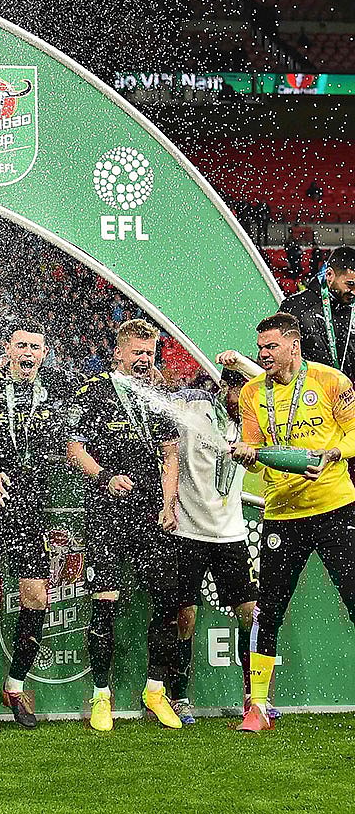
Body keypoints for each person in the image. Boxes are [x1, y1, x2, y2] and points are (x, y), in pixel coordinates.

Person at [230, 312, 355, 732]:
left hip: (336, 506)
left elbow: (354, 433)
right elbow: (254, 444)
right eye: (260, 347)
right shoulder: (251, 392)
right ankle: (258, 707)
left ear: (293, 345)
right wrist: (246, 452)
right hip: (282, 513)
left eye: (271, 346)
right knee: (270, 610)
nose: (263, 354)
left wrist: (333, 456)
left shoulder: (330, 380)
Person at [66, 318, 182, 731]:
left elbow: (171, 455)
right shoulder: (92, 391)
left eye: (149, 353)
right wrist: (103, 476)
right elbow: (73, 449)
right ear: (117, 352)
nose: (143, 359)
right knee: (105, 602)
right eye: (136, 352)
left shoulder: (157, 396)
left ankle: (155, 690)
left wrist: (168, 505)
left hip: (151, 513)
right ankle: (101, 696)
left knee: (168, 599)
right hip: (107, 511)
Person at [0, 320, 65, 732]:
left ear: (43, 353)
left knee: (36, 596)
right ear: (7, 347)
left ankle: (14, 686)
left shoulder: (49, 393)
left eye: (36, 348)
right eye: (22, 345)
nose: (29, 354)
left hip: (30, 505)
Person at [166, 351, 263, 725]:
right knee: (185, 617)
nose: (246, 397)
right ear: (224, 386)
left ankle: (252, 698)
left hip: (231, 532)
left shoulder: (254, 423)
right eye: (239, 388)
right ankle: (180, 696)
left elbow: (273, 385)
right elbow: (167, 398)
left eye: (250, 390)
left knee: (249, 614)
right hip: (190, 530)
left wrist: (241, 362)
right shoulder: (196, 408)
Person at [279, 245, 355, 385]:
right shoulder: (296, 307)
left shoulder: (352, 309)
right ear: (329, 275)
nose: (354, 292)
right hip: (308, 398)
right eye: (350, 284)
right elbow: (278, 355)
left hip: (346, 399)